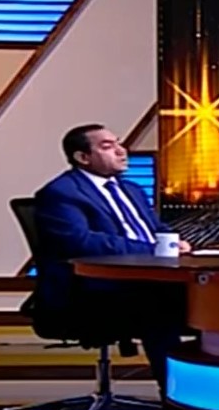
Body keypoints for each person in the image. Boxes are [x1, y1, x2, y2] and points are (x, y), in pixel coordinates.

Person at [30, 123, 192, 390]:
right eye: (107, 146)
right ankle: (176, 395)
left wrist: (174, 242)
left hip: (146, 279)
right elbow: (82, 243)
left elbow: (156, 229)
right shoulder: (61, 193)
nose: (121, 151)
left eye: (119, 143)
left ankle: (213, 390)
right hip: (91, 291)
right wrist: (152, 250)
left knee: (206, 299)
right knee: (160, 305)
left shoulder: (131, 190)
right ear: (83, 157)